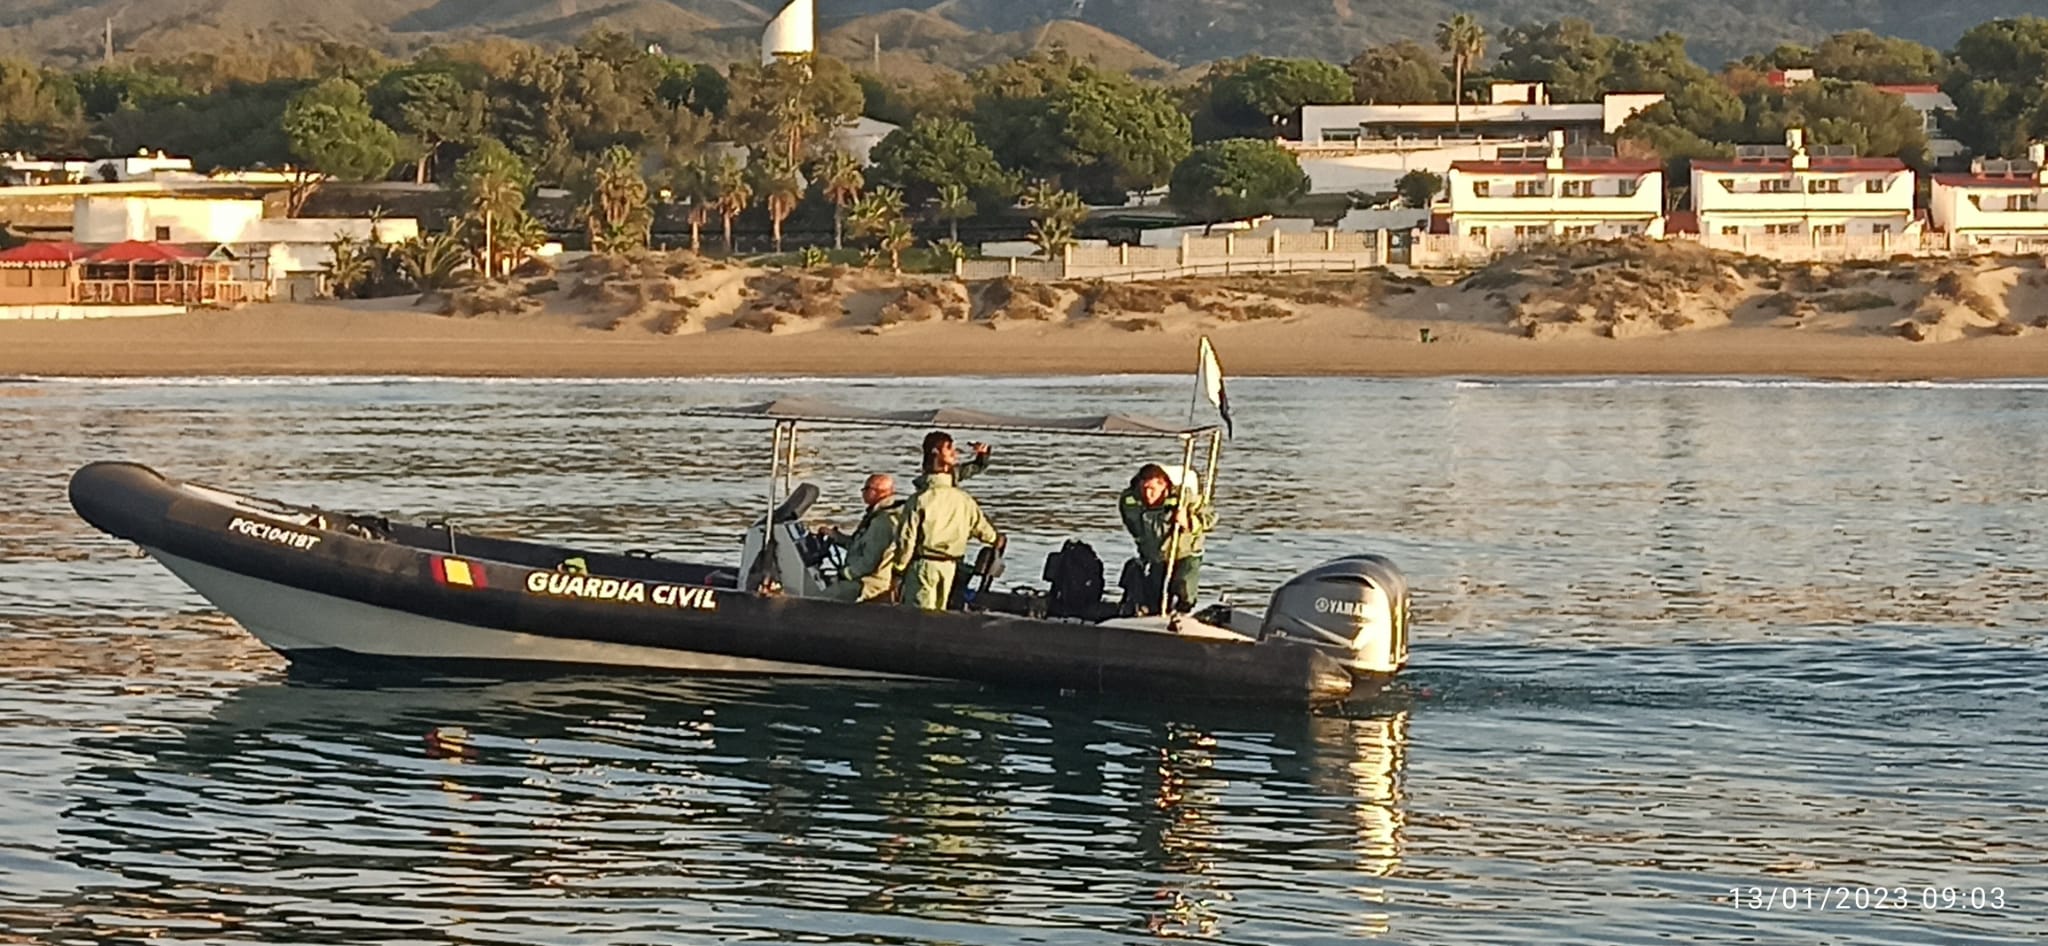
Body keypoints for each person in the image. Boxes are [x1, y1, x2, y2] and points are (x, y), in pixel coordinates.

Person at [890, 443, 1001, 610]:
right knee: (939, 612)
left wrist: (898, 571)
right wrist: (996, 540)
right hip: (950, 565)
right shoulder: (964, 499)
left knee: (920, 614)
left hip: (925, 564)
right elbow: (987, 534)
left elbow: (906, 539)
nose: (955, 453)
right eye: (950, 449)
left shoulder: (920, 499)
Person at [1118, 463, 1216, 614]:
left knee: (1184, 592)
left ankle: (1182, 614)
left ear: (1163, 486)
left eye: (1152, 489)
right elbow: (1131, 522)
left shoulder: (1185, 497)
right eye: (1145, 488)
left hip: (1185, 552)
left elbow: (1210, 518)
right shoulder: (1129, 499)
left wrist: (1188, 521)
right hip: (1155, 555)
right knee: (1155, 597)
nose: (1148, 494)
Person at [818, 473, 906, 603]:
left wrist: (845, 574)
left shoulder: (883, 522)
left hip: (870, 583)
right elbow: (859, 546)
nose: (863, 493)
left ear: (877, 492)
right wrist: (836, 537)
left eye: (866, 489)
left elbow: (869, 562)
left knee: (819, 600)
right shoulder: (878, 515)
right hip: (867, 578)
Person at [911, 430, 991, 492]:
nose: (954, 453)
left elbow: (977, 467)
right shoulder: (926, 482)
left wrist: (982, 455)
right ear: (935, 451)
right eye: (949, 448)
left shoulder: (954, 472)